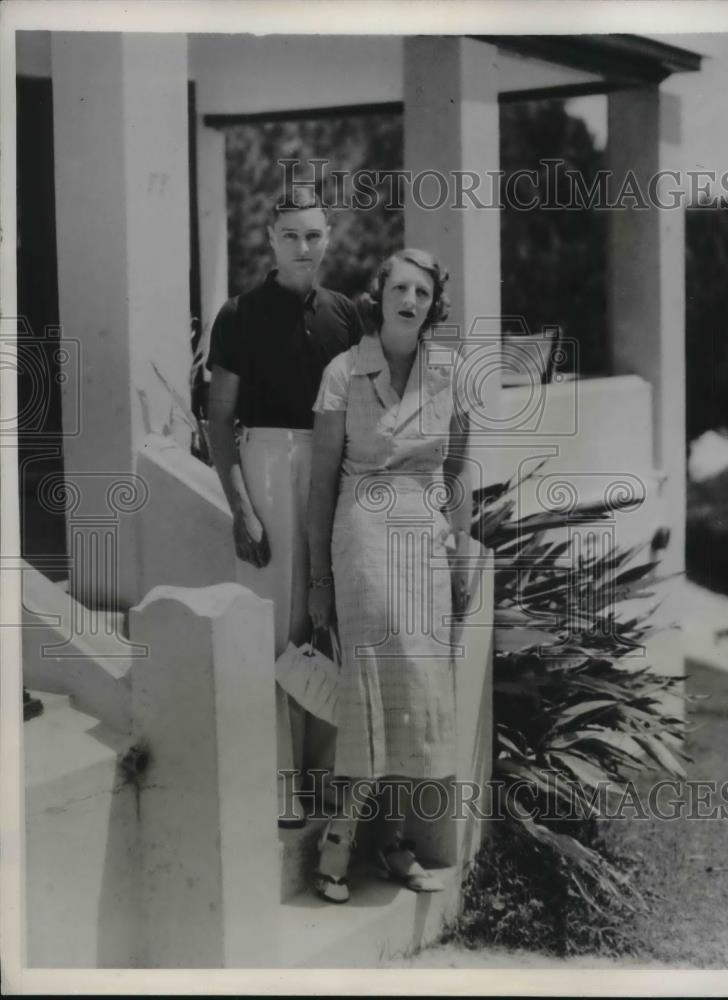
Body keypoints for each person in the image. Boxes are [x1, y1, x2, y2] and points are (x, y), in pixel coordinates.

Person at [307, 249, 473, 902]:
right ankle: (339, 841)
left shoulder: (450, 373)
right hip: (364, 531)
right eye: (399, 288)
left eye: (423, 293)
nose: (410, 300)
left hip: (424, 536)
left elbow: (457, 473)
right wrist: (318, 579)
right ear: (379, 296)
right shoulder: (343, 373)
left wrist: (458, 550)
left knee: (421, 687)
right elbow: (321, 484)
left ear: (435, 306)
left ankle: (395, 841)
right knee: (373, 681)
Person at [207, 184, 362, 828]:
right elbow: (219, 422)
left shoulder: (348, 315)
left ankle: (324, 777)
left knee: (333, 621)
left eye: (314, 235)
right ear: (270, 240)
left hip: (337, 468)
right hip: (269, 465)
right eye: (291, 235)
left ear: (329, 239)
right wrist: (241, 507)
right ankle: (278, 784)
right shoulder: (239, 315)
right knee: (277, 626)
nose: (304, 246)